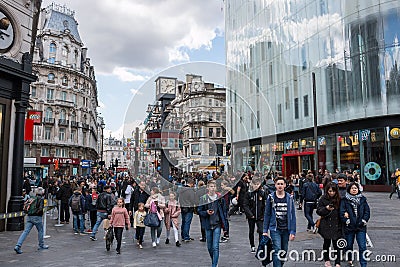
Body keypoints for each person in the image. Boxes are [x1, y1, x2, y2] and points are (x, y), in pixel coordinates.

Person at [263, 177, 296, 267]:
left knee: (284, 251)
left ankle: (279, 265)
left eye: (282, 184)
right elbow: (267, 214)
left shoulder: (289, 198)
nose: (280, 186)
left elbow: (292, 216)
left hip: (286, 228)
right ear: (275, 185)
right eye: (278, 184)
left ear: (285, 185)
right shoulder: (271, 197)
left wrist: (293, 231)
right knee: (277, 249)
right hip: (275, 228)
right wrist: (265, 230)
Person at [198, 180, 228, 267]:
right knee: (209, 247)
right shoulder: (203, 198)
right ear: (207, 188)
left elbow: (223, 211)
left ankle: (214, 265)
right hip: (207, 225)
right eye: (211, 186)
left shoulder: (219, 198)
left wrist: (224, 224)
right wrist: (206, 212)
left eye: (214, 186)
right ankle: (214, 260)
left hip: (216, 224)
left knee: (215, 246)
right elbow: (199, 211)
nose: (212, 188)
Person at [340, 182, 370, 267]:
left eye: (355, 188)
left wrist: (364, 221)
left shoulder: (362, 199)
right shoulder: (344, 200)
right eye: (352, 188)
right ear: (349, 189)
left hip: (361, 227)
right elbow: (342, 212)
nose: (354, 190)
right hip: (349, 227)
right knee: (349, 245)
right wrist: (347, 221)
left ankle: (363, 264)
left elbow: (367, 211)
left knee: (362, 246)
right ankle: (350, 260)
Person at [14, 187, 49, 254]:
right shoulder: (40, 199)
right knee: (40, 230)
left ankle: (18, 245)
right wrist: (40, 213)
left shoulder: (32, 198)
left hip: (29, 216)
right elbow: (41, 208)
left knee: (25, 231)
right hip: (37, 217)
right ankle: (41, 245)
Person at [316, 182, 343, 267]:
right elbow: (318, 211)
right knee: (326, 243)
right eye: (330, 191)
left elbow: (341, 211)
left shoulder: (339, 199)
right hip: (326, 224)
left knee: (337, 244)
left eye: (333, 191)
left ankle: (337, 261)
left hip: (336, 224)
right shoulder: (323, 198)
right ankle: (326, 259)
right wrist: (326, 208)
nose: (331, 193)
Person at [243, 177, 266, 253]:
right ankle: (252, 245)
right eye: (255, 184)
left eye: (257, 184)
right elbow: (245, 205)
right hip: (251, 216)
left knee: (261, 231)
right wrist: (250, 214)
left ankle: (260, 246)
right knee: (251, 231)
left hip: (260, 216)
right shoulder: (248, 193)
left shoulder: (262, 193)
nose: (256, 186)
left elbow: (265, 205)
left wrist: (263, 215)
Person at [178, 178, 196, 242]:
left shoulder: (182, 189)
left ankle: (183, 236)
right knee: (187, 223)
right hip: (189, 208)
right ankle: (186, 237)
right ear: (191, 184)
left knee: (183, 222)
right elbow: (192, 199)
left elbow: (179, 198)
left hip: (183, 207)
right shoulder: (190, 190)